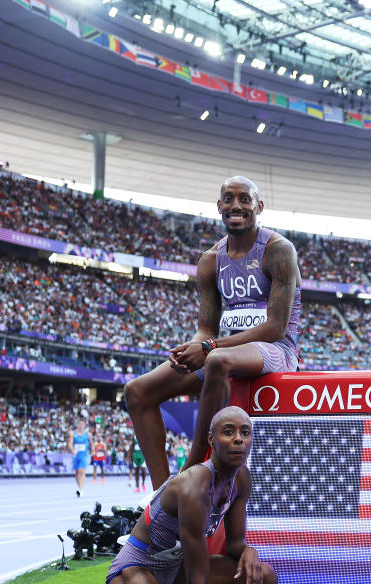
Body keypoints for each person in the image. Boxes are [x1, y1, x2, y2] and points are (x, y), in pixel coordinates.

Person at [123, 176, 302, 489]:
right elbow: (205, 328)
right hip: (224, 349)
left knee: (218, 360)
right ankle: (164, 494)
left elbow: (276, 327)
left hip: (275, 350)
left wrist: (207, 348)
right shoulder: (209, 261)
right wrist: (188, 351)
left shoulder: (279, 250)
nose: (236, 205)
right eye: (229, 198)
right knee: (137, 391)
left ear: (259, 207)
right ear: (219, 206)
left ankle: (192, 468)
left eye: (245, 199)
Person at [102, 406, 277, 584]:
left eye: (245, 433)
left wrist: (249, 551)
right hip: (135, 572)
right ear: (211, 440)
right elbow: (196, 579)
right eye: (228, 432)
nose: (238, 440)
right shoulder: (195, 486)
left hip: (173, 571)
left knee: (263, 578)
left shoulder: (241, 479)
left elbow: (234, 545)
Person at [67, 418, 90, 497]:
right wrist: (72, 450)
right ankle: (80, 488)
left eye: (82, 424)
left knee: (82, 472)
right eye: (79, 424)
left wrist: (93, 450)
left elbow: (92, 444)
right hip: (76, 455)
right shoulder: (73, 433)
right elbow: (70, 444)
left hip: (83, 455)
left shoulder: (88, 434)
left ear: (84, 425)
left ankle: (80, 489)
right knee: (77, 474)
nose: (80, 426)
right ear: (77, 425)